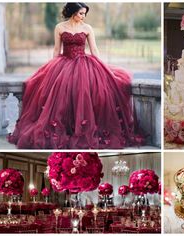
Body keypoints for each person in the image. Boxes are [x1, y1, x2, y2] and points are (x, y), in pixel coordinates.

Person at [8, 2, 143, 149]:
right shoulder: (60, 27)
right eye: (81, 13)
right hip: (63, 63)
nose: (83, 16)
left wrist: (103, 68)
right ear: (72, 12)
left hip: (84, 64)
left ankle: (82, 130)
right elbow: (56, 49)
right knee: (61, 98)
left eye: (85, 13)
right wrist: (51, 69)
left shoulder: (87, 28)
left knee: (84, 94)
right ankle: (67, 129)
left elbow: (94, 50)